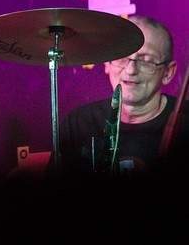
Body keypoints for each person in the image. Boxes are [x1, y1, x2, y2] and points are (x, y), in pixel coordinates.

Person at [62, 14, 182, 173]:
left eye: (146, 60)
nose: (131, 70)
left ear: (168, 72)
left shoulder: (184, 124)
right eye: (122, 57)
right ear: (107, 63)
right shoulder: (78, 124)